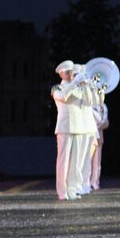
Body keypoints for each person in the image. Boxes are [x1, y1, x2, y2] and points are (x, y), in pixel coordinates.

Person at [52, 60, 93, 202]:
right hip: (64, 128)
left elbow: (88, 102)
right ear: (61, 73)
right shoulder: (57, 88)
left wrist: (87, 86)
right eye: (67, 72)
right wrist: (74, 83)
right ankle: (62, 192)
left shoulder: (75, 87)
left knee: (76, 161)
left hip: (78, 127)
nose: (70, 74)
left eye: (71, 72)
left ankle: (73, 188)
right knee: (63, 161)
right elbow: (63, 96)